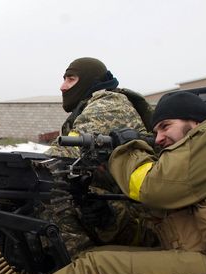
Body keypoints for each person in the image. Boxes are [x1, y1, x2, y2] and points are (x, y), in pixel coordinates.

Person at [42, 91, 206, 274]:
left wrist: (128, 148)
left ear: (195, 122)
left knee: (94, 269)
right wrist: (107, 220)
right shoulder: (203, 170)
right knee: (90, 256)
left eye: (165, 126)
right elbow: (158, 236)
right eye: (155, 131)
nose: (158, 139)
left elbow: (152, 188)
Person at [38, 57, 157, 260]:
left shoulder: (109, 105)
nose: (62, 87)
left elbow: (62, 155)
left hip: (139, 215)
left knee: (54, 197)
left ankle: (76, 270)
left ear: (89, 82)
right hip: (117, 204)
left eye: (70, 79)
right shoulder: (90, 105)